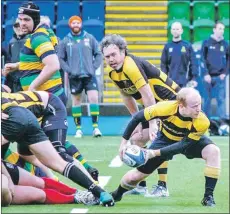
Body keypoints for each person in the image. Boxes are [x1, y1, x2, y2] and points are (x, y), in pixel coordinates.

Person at [100, 34, 181, 197]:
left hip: (172, 103)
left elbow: (148, 94)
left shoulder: (131, 65)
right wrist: (137, 121)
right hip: (154, 106)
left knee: (157, 139)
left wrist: (152, 123)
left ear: (123, 51)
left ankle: (162, 186)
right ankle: (141, 186)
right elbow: (126, 95)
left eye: (114, 54)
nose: (111, 59)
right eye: (107, 56)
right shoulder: (113, 73)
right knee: (137, 139)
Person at [111, 87, 221, 207]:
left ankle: (208, 197)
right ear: (181, 105)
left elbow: (183, 145)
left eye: (199, 104)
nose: (198, 109)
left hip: (188, 141)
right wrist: (123, 143)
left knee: (213, 151)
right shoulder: (164, 108)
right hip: (164, 139)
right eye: (194, 106)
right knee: (136, 176)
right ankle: (116, 195)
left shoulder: (202, 121)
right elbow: (137, 117)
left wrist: (153, 153)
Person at [1, 97, 114, 207]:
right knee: (54, 162)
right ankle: (98, 192)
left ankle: (78, 191)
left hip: (39, 110)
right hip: (25, 114)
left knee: (57, 157)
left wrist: (9, 181)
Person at [2, 85, 99, 181]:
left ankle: (94, 186)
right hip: (30, 116)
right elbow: (7, 88)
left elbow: (6, 89)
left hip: (49, 106)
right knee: (27, 154)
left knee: (58, 152)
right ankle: (56, 182)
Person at [3, 2, 67, 105]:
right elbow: (39, 61)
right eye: (20, 19)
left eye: (26, 19)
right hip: (48, 97)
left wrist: (32, 87)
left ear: (36, 20)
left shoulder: (38, 37)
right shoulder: (40, 33)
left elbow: (53, 65)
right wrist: (18, 65)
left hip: (48, 98)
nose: (21, 23)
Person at [58, 15, 103, 138]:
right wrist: (68, 70)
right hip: (75, 77)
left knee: (94, 99)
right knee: (76, 102)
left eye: (78, 23)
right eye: (74, 23)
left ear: (81, 24)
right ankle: (78, 129)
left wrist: (93, 67)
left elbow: (98, 54)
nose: (76, 25)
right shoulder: (65, 41)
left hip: (89, 75)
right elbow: (60, 58)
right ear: (70, 25)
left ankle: (96, 128)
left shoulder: (90, 38)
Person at [1, 160, 99, 206]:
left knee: (38, 181)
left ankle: (78, 192)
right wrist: (6, 185)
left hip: (3, 168)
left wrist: (8, 178)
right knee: (39, 195)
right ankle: (76, 198)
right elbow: (6, 198)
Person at [201, 21, 229, 119]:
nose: (221, 31)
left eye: (223, 29)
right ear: (214, 29)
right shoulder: (206, 42)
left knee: (221, 100)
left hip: (220, 77)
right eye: (219, 29)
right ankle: (205, 123)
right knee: (206, 100)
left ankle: (222, 124)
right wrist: (205, 74)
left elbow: (229, 60)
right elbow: (202, 59)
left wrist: (225, 73)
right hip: (207, 77)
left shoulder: (225, 44)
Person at [161, 21, 198, 88]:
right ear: (171, 31)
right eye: (173, 29)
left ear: (181, 31)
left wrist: (193, 78)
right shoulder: (167, 46)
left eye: (177, 29)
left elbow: (193, 63)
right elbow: (163, 65)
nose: (175, 31)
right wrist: (165, 79)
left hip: (185, 82)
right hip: (171, 82)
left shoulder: (187, 46)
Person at [5, 18, 27, 92]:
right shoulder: (11, 42)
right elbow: (9, 59)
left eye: (20, 25)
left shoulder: (30, 40)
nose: (18, 27)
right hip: (14, 79)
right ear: (13, 28)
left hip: (27, 77)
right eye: (16, 25)